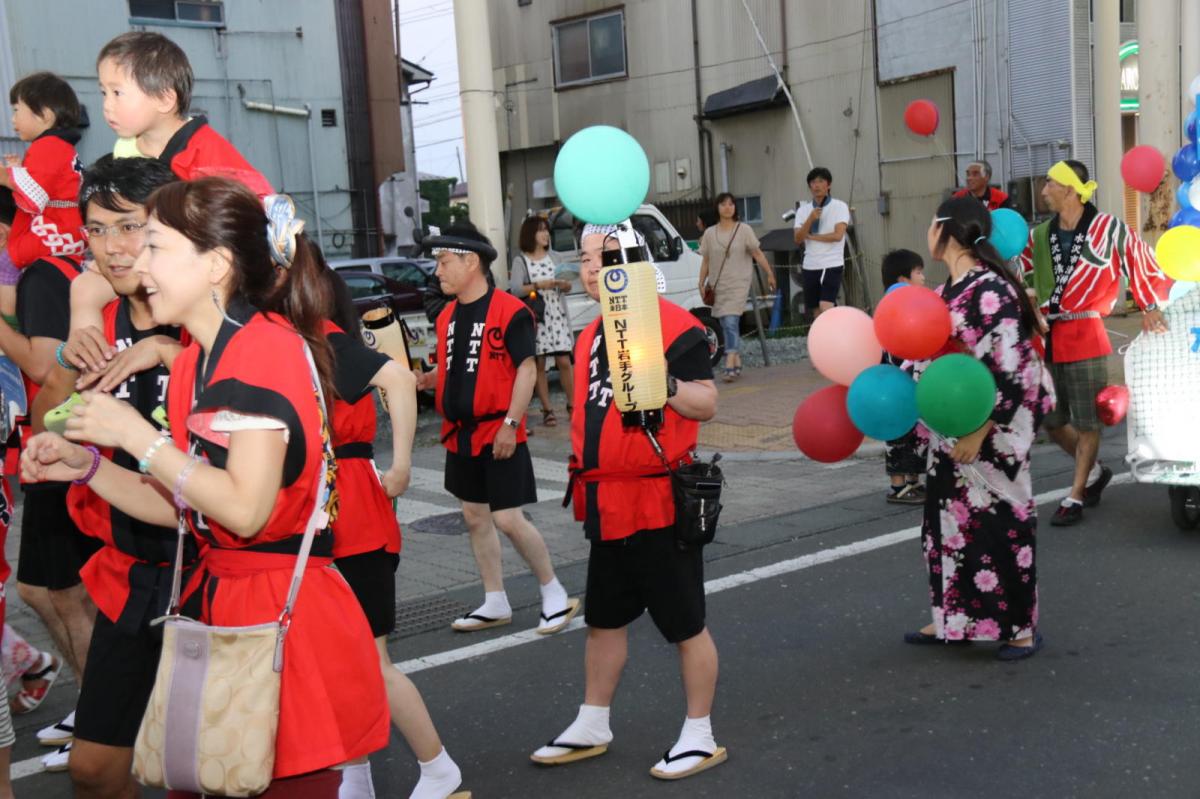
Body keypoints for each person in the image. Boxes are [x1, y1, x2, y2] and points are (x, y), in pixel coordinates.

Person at [21, 178, 389, 797]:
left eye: (155, 246)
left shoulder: (264, 351)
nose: (137, 262)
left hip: (278, 622)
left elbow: (243, 509)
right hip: (220, 608)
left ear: (216, 265)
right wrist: (85, 467)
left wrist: (139, 438)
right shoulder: (196, 358)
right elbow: (184, 507)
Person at [532, 222, 723, 780]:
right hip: (605, 500)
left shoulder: (675, 325)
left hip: (658, 498)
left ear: (635, 260)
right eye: (586, 257)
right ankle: (593, 720)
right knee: (605, 620)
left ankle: (700, 732)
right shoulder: (591, 334)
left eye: (605, 256)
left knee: (685, 623)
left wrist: (663, 383)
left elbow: (706, 403)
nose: (591, 268)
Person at [28, 155, 188, 797]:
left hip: (215, 565)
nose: (113, 247)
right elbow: (51, 417)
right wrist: (70, 354)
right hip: (131, 568)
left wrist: (169, 350)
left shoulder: (209, 299)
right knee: (93, 767)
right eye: (97, 229)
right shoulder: (97, 304)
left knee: (219, 762)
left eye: (128, 226)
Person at [316, 262, 465, 799]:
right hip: (329, 506)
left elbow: (399, 379)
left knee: (370, 661)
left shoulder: (324, 338)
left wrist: (401, 464)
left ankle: (438, 768)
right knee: (341, 660)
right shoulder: (299, 338)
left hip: (350, 506)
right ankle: (356, 775)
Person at [906, 197, 1054, 660]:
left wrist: (980, 431)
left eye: (931, 223)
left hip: (991, 430)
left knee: (1000, 527)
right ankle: (953, 616)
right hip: (949, 428)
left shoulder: (992, 289)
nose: (927, 231)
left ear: (946, 230)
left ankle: (1020, 628)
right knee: (945, 527)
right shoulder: (948, 290)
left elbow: (1010, 367)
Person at [414, 220, 577, 634]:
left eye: (444, 261)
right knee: (473, 515)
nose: (438, 271)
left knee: (507, 518)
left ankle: (553, 591)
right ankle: (494, 599)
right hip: (460, 433)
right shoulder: (447, 316)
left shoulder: (510, 310)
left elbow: (525, 369)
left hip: (499, 430)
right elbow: (460, 367)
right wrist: (430, 380)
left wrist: (511, 424)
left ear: (471, 262)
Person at [69, 31, 277, 337]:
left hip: (231, 291)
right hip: (164, 275)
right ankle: (88, 357)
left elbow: (257, 224)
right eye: (103, 93)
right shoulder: (126, 149)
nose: (106, 106)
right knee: (84, 286)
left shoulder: (206, 162)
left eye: (117, 93)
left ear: (165, 98)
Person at [0, 186, 99, 773]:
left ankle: (103, 715)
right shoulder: (48, 272)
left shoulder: (41, 273)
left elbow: (42, 364)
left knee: (64, 591)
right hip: (53, 445)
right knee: (43, 590)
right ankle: (97, 704)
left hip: (58, 445)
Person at [1017, 160, 1170, 526]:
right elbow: (1023, 273)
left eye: (1050, 183)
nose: (1043, 191)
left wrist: (1148, 305)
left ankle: (1076, 494)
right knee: (1053, 421)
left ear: (1070, 189)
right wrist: (1028, 305)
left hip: (1087, 332)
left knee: (1087, 423)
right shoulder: (1039, 235)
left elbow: (1139, 259)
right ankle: (1097, 471)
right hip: (1049, 336)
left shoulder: (1108, 228)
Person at [0, 72, 87, 325]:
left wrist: (6, 176)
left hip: (58, 227)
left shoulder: (47, 146)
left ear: (45, 115)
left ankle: (11, 326)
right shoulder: (60, 147)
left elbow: (35, 196)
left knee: (6, 263)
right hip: (70, 228)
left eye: (17, 110)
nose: (13, 119)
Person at [698, 192, 776, 382]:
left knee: (731, 321)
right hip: (718, 285)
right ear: (717, 207)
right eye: (723, 204)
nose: (728, 207)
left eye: (731, 204)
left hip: (739, 283)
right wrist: (701, 282)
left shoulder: (744, 230)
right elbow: (706, 261)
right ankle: (738, 360)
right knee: (725, 323)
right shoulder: (709, 233)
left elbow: (757, 253)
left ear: (735, 208)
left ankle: (730, 359)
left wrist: (770, 274)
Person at [510, 215, 575, 426]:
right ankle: (548, 409)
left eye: (546, 230)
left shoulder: (555, 257)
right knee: (539, 364)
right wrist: (540, 285)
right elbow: (516, 289)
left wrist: (563, 285)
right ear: (531, 234)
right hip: (536, 319)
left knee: (564, 361)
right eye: (541, 230)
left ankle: (572, 404)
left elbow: (568, 283)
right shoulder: (521, 260)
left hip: (557, 315)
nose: (546, 234)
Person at [880, 249, 927, 505]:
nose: (923, 277)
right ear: (902, 280)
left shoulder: (901, 303)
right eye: (918, 272)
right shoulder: (897, 303)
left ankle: (912, 482)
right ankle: (898, 486)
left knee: (911, 432)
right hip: (894, 381)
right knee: (898, 434)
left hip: (902, 380)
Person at [792, 167, 850, 319]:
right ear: (809, 186)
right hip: (810, 264)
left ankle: (835, 339)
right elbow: (798, 238)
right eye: (813, 182)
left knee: (826, 306)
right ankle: (820, 341)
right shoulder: (803, 211)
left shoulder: (840, 206)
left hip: (832, 263)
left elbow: (838, 235)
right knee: (816, 311)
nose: (816, 185)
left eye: (820, 181)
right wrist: (810, 219)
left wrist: (813, 237)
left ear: (828, 185)